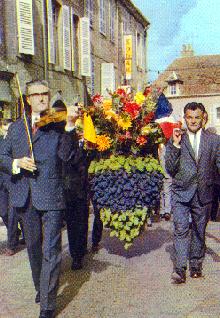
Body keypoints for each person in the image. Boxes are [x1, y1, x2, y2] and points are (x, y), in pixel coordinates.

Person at [0, 80, 78, 318]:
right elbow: (1, 156)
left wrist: (70, 126)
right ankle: (40, 287)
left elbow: (67, 156)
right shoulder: (15, 128)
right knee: (33, 248)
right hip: (25, 196)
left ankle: (47, 304)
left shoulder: (57, 125)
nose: (43, 98)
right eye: (37, 95)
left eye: (46, 93)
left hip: (51, 194)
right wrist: (16, 163)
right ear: (28, 98)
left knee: (51, 249)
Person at [165, 102, 220, 284]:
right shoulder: (177, 138)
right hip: (181, 193)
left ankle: (195, 264)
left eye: (197, 117)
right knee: (180, 229)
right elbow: (170, 168)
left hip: (204, 193)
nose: (193, 121)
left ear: (203, 117)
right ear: (184, 118)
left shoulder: (214, 140)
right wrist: (175, 145)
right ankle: (180, 269)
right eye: (190, 117)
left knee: (198, 230)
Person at [0, 119, 25, 256]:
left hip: (14, 180)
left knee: (12, 213)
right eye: (5, 126)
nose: (7, 129)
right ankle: (19, 232)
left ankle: (11, 244)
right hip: (1, 182)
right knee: (4, 212)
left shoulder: (17, 142)